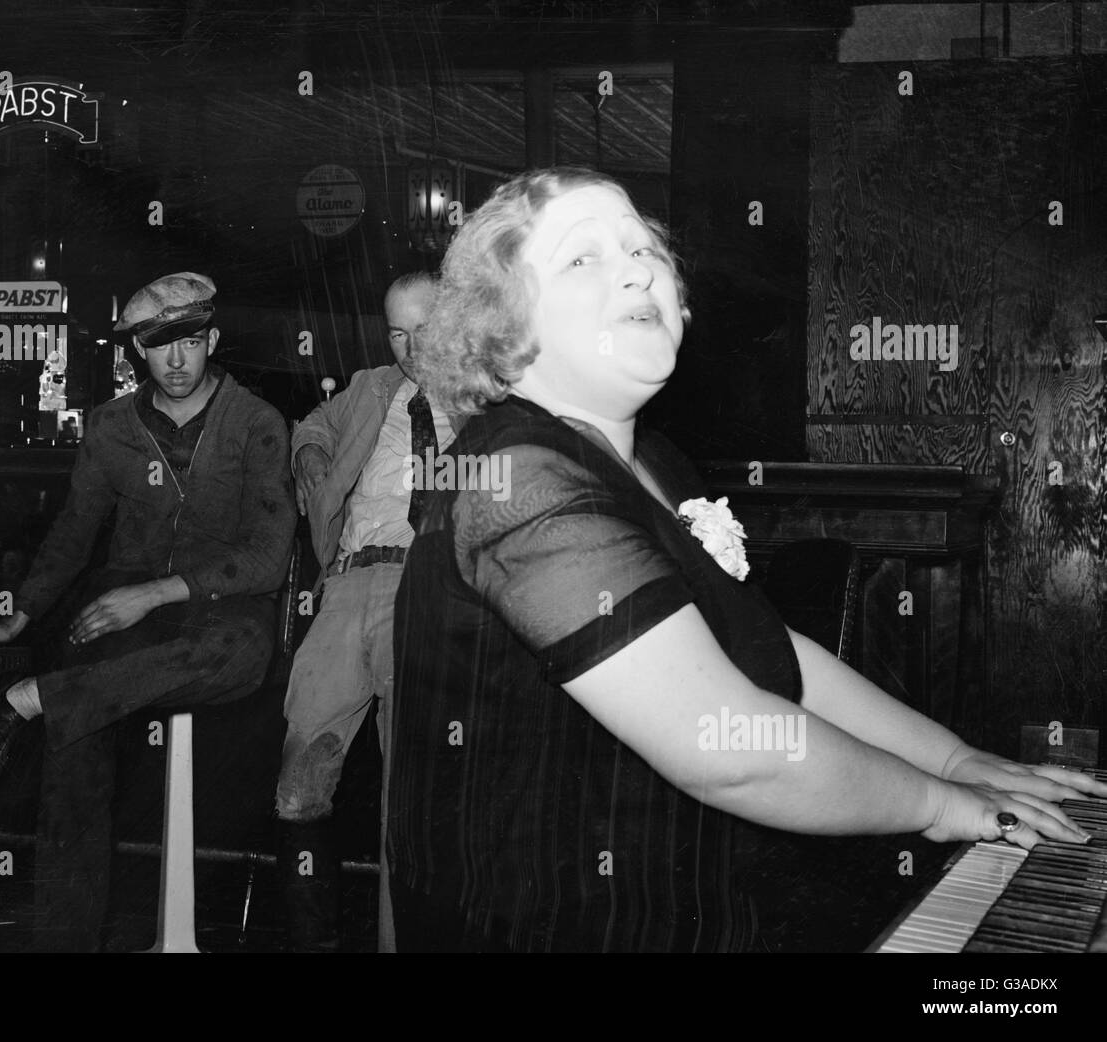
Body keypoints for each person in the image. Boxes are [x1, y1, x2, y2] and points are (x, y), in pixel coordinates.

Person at [387, 168, 1107, 953]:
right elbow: (727, 750)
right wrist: (941, 806)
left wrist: (961, 757)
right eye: (582, 258)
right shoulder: (521, 477)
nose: (637, 267)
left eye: (643, 246)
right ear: (503, 323)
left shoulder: (654, 463)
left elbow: (770, 653)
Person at [0, 271, 296, 952]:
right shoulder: (110, 427)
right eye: (157, 346)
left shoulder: (257, 423)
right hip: (117, 606)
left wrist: (158, 593)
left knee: (242, 655)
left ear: (212, 339)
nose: (175, 362)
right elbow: (74, 532)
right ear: (137, 351)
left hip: (218, 613)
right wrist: (19, 617)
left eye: (190, 343)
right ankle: (65, 940)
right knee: (74, 744)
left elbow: (269, 556)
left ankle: (25, 699)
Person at [277, 272, 459, 951]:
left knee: (403, 799)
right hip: (349, 583)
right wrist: (312, 454)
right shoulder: (370, 387)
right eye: (397, 332)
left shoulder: (490, 400)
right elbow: (310, 425)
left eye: (426, 328)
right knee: (299, 784)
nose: (411, 348)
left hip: (431, 589)